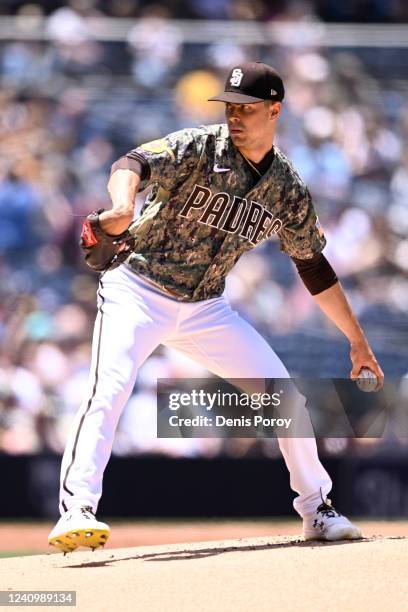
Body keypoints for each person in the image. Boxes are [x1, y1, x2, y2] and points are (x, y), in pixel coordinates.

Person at [48, 62, 384, 553]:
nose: (235, 117)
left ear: (275, 110)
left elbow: (313, 266)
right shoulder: (200, 146)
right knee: (110, 388)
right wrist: (121, 207)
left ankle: (317, 508)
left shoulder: (286, 187)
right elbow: (132, 162)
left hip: (205, 307)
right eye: (230, 107)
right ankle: (77, 509)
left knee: (285, 399)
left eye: (246, 108)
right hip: (137, 288)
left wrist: (357, 341)